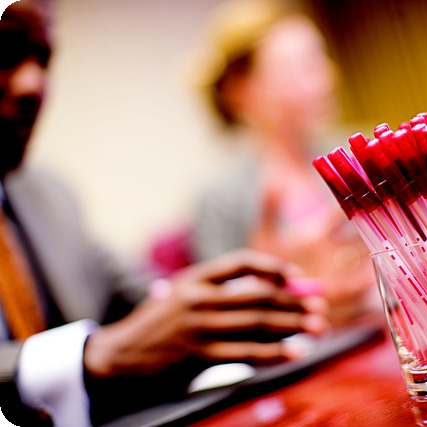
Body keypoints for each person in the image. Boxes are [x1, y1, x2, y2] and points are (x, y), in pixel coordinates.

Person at [0, 1, 330, 426]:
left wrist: (260, 300)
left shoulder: (48, 194)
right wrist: (89, 354)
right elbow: (110, 350)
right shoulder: (220, 193)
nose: (33, 83)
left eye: (44, 57)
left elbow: (148, 305)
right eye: (6, 51)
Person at [187, 0, 379, 324]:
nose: (326, 78)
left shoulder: (361, 152)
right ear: (242, 91)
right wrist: (268, 290)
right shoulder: (220, 202)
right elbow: (228, 320)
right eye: (301, 67)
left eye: (320, 59)